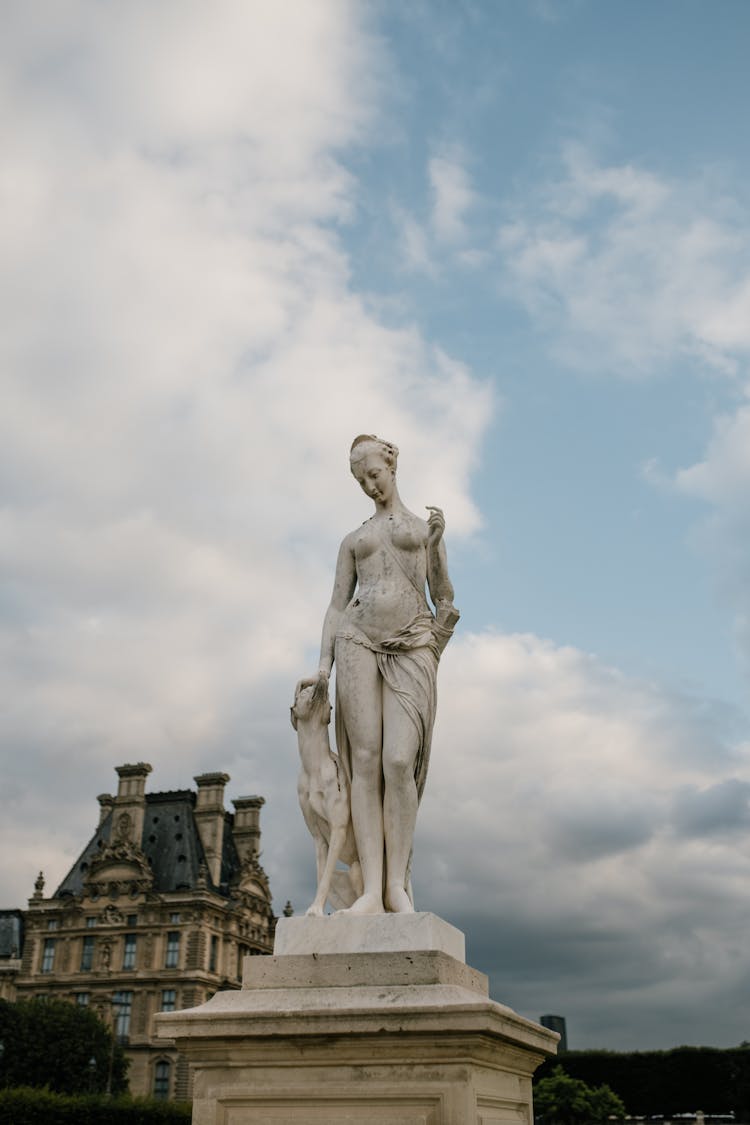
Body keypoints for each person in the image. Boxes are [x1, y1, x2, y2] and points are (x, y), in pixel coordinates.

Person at [306, 435, 459, 914]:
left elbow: (444, 596)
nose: (370, 486)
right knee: (364, 762)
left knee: (398, 761)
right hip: (356, 640)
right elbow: (336, 605)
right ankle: (372, 888)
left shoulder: (423, 529)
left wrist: (435, 550)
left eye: (374, 474)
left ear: (392, 465)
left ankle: (398, 883)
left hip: (412, 639)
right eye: (361, 480)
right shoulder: (354, 540)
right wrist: (323, 665)